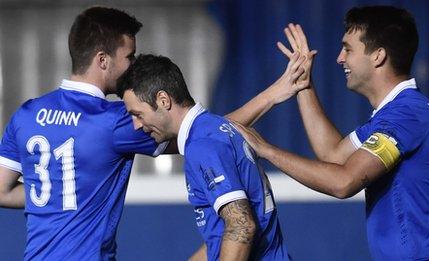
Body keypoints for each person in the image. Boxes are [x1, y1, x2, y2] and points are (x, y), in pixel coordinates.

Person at [0, 6, 308, 260]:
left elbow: (2, 191)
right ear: (103, 60)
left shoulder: (26, 114)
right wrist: (273, 94)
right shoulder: (115, 122)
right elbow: (201, 130)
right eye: (130, 56)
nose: (133, 65)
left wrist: (61, 197)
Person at [234, 6, 429, 260]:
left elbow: (343, 182)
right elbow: (334, 156)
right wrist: (303, 83)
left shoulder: (408, 114)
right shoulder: (395, 113)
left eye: (348, 49)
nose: (339, 58)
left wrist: (265, 149)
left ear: (378, 56)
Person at [117, 53, 303, 261]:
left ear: (163, 100)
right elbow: (223, 236)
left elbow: (241, 226)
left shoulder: (202, 146)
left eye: (138, 114)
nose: (136, 125)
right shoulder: (217, 129)